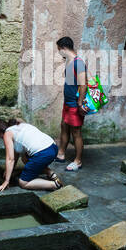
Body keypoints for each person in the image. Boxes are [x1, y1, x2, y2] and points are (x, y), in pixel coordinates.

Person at [0, 118, 62, 192]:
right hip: (53, 147)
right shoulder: (19, 126)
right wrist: (9, 171)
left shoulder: (7, 134)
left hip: (43, 153)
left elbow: (10, 159)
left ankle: (55, 184)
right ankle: (51, 173)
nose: (1, 138)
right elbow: (15, 155)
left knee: (23, 183)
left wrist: (6, 181)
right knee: (25, 159)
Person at [54, 36, 87, 172]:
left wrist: (79, 104)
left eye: (59, 50)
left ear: (64, 48)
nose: (59, 53)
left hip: (74, 104)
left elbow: (83, 85)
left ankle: (78, 161)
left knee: (76, 132)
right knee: (64, 126)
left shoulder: (78, 63)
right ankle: (61, 153)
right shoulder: (69, 61)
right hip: (67, 103)